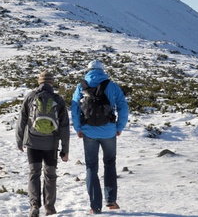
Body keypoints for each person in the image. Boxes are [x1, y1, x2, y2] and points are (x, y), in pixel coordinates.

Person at [71, 60, 129, 214]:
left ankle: (95, 207)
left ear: (88, 70)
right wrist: (119, 127)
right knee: (109, 163)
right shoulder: (112, 86)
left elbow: (75, 107)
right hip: (109, 131)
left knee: (91, 167)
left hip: (88, 132)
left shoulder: (81, 86)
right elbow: (123, 106)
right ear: (102, 70)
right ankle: (111, 201)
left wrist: (78, 128)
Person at [16, 70, 70, 217]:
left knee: (34, 173)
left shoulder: (30, 97)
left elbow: (21, 120)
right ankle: (49, 208)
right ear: (52, 83)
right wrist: (65, 149)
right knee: (50, 175)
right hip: (51, 144)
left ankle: (34, 205)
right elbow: (65, 126)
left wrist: (20, 140)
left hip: (33, 142)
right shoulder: (58, 100)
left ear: (39, 82)